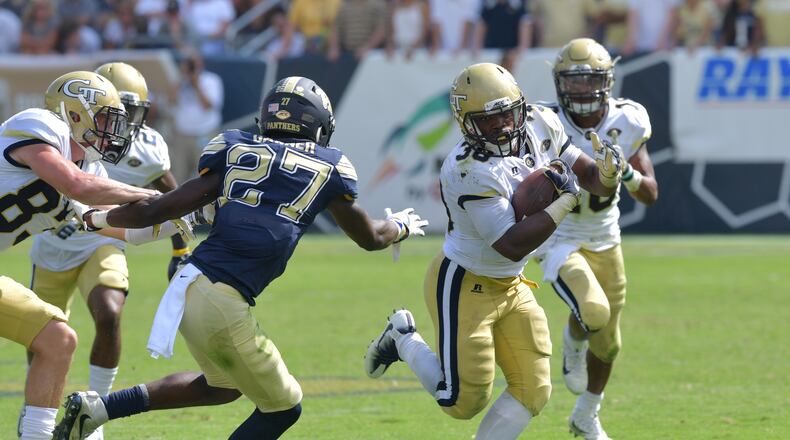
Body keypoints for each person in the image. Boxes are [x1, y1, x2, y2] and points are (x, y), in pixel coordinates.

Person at [52, 76, 429, 440]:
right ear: (317, 125)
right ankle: (97, 411)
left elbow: (158, 212)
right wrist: (400, 226)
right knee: (284, 407)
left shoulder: (233, 149)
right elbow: (370, 237)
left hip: (190, 287)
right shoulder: (329, 167)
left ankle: (98, 410)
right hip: (221, 298)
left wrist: (94, 217)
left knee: (222, 386)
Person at [364, 63, 624, 440]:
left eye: (506, 114)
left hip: (512, 284)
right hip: (465, 281)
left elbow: (586, 175)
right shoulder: (467, 170)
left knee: (533, 389)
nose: (501, 125)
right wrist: (566, 200)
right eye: (488, 121)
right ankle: (402, 337)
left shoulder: (541, 123)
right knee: (461, 402)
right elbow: (510, 243)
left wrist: (608, 176)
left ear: (520, 107)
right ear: (466, 123)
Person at [0, 70, 173, 440]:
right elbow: (74, 185)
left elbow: (111, 227)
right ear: (75, 113)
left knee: (58, 340)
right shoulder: (40, 124)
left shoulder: (90, 169)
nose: (112, 131)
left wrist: (178, 217)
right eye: (105, 119)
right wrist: (146, 195)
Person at [536, 38, 659, 440]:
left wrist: (625, 173)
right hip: (558, 235)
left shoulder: (629, 120)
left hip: (605, 236)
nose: (583, 90)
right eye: (574, 81)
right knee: (592, 309)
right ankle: (572, 343)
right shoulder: (545, 122)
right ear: (559, 84)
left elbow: (650, 193)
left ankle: (586, 414)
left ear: (606, 82)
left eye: (590, 80)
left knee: (608, 345)